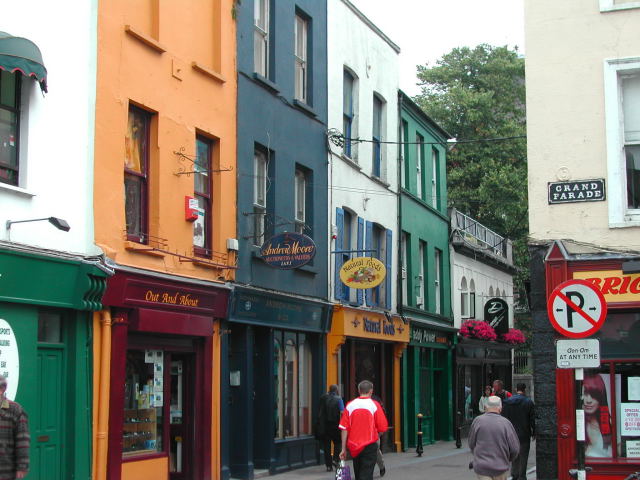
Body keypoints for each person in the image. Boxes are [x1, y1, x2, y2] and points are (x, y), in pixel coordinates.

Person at [339, 381, 388, 480]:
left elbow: (344, 428)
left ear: (359, 391)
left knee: (358, 473)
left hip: (354, 446)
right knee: (366, 474)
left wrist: (343, 449)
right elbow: (383, 427)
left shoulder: (350, 405)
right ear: (371, 391)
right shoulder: (374, 405)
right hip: (369, 444)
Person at [468, 395, 519, 480]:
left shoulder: (477, 421)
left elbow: (471, 443)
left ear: (485, 407)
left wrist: (478, 456)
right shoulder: (506, 423)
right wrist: (507, 459)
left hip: (482, 467)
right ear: (500, 408)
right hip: (501, 467)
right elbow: (515, 449)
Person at [502, 383, 535, 480]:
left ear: (516, 389)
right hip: (524, 433)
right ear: (525, 390)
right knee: (523, 456)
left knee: (514, 456)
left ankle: (514, 474)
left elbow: (504, 419)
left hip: (511, 434)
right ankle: (522, 476)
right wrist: (534, 432)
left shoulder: (507, 402)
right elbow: (532, 419)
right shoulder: (528, 402)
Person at [0, 376, 29, 479]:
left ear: (1, 390)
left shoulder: (15, 410)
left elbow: (22, 439)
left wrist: (22, 466)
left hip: (5, 469)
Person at [316, 384, 345, 471]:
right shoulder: (339, 399)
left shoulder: (322, 398)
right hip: (335, 425)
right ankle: (335, 459)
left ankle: (328, 466)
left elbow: (319, 411)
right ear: (336, 390)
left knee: (327, 446)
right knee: (338, 443)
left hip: (324, 426)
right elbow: (342, 412)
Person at [582, 374, 612, 458]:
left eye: (594, 395)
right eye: (585, 394)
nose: (588, 400)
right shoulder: (577, 424)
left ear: (601, 397)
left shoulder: (609, 423)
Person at [371, 393, 386, 477]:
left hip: (375, 431)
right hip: (364, 431)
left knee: (376, 450)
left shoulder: (376, 400)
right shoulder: (358, 402)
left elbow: (382, 413)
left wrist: (381, 429)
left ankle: (381, 466)